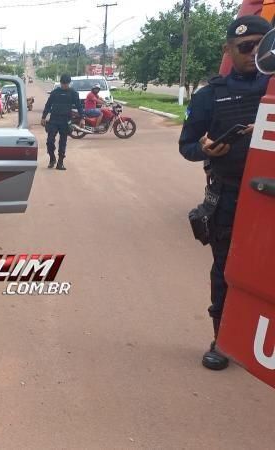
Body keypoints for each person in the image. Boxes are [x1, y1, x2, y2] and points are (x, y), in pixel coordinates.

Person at [178, 15, 272, 371]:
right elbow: (186, 146)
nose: (255, 53)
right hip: (231, 198)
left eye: (264, 46)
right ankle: (224, 339)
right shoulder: (209, 96)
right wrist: (205, 149)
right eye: (246, 47)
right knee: (227, 270)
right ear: (228, 50)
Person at [41, 74, 83, 170]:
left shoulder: (73, 93)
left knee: (63, 142)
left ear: (69, 83)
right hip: (54, 119)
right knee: (50, 141)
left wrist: (82, 118)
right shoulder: (55, 92)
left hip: (66, 120)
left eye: (66, 84)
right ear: (60, 83)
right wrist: (43, 117)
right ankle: (52, 158)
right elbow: (48, 105)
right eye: (63, 83)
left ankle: (60, 162)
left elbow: (79, 106)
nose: (64, 85)